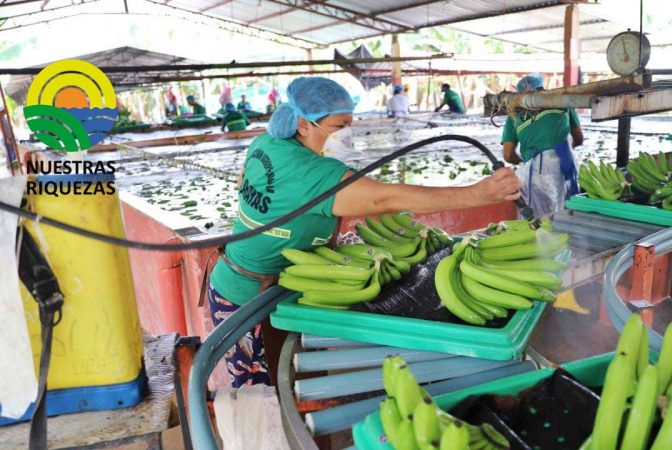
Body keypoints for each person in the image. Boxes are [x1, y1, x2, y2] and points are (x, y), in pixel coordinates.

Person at [206, 77, 521, 387]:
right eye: (339, 127)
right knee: (265, 393)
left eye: (349, 124)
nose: (347, 135)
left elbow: (243, 181)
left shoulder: (268, 143)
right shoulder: (313, 172)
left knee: (288, 376)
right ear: (303, 125)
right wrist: (475, 195)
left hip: (236, 278)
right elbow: (384, 199)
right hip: (249, 300)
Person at [501, 74, 584, 218]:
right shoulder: (562, 102)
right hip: (567, 165)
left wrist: (525, 162)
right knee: (567, 212)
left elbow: (508, 155)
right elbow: (579, 139)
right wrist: (566, 151)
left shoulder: (514, 116)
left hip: (536, 169)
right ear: (543, 88)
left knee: (538, 219)